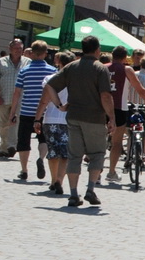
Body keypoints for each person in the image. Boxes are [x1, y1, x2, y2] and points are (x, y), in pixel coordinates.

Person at [46, 36, 114, 206]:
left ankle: (74, 194)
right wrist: (111, 117)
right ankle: (90, 189)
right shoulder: (100, 69)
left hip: (73, 116)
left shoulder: (71, 67)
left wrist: (59, 105)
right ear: (97, 50)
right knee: (97, 154)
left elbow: (50, 85)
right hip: (94, 117)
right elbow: (105, 96)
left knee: (74, 155)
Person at [105, 47, 145, 184]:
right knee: (116, 142)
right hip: (119, 108)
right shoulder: (127, 70)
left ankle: (96, 174)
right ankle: (111, 172)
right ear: (125, 57)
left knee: (98, 143)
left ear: (112, 55)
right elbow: (139, 89)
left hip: (101, 107)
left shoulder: (102, 67)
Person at [10, 41, 58, 186]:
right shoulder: (52, 71)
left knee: (23, 141)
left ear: (31, 53)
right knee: (43, 139)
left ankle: (24, 170)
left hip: (26, 111)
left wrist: (12, 113)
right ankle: (41, 159)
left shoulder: (24, 71)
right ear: (45, 53)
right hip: (44, 112)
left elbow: (17, 93)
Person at [35, 53, 74, 196]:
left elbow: (44, 101)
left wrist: (37, 119)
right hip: (69, 120)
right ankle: (60, 180)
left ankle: (52, 180)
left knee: (53, 152)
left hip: (50, 118)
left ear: (58, 62)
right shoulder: (76, 80)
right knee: (65, 153)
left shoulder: (50, 79)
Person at [0, 37, 27, 157]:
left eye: (20, 48)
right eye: (16, 48)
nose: (18, 50)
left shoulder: (27, 62)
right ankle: (3, 148)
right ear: (10, 49)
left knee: (15, 123)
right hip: (4, 97)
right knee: (2, 124)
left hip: (20, 99)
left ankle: (12, 146)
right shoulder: (1, 62)